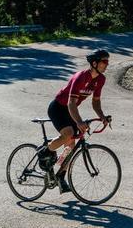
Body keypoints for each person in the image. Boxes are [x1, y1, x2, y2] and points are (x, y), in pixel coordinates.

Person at [37, 49, 111, 193]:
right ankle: (45, 151)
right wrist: (78, 121)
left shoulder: (100, 80)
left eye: (108, 62)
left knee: (71, 145)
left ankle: (60, 176)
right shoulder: (80, 77)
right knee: (69, 133)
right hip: (58, 107)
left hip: (71, 109)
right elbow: (71, 103)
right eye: (104, 61)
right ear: (94, 63)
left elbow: (96, 102)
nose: (107, 65)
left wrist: (102, 117)